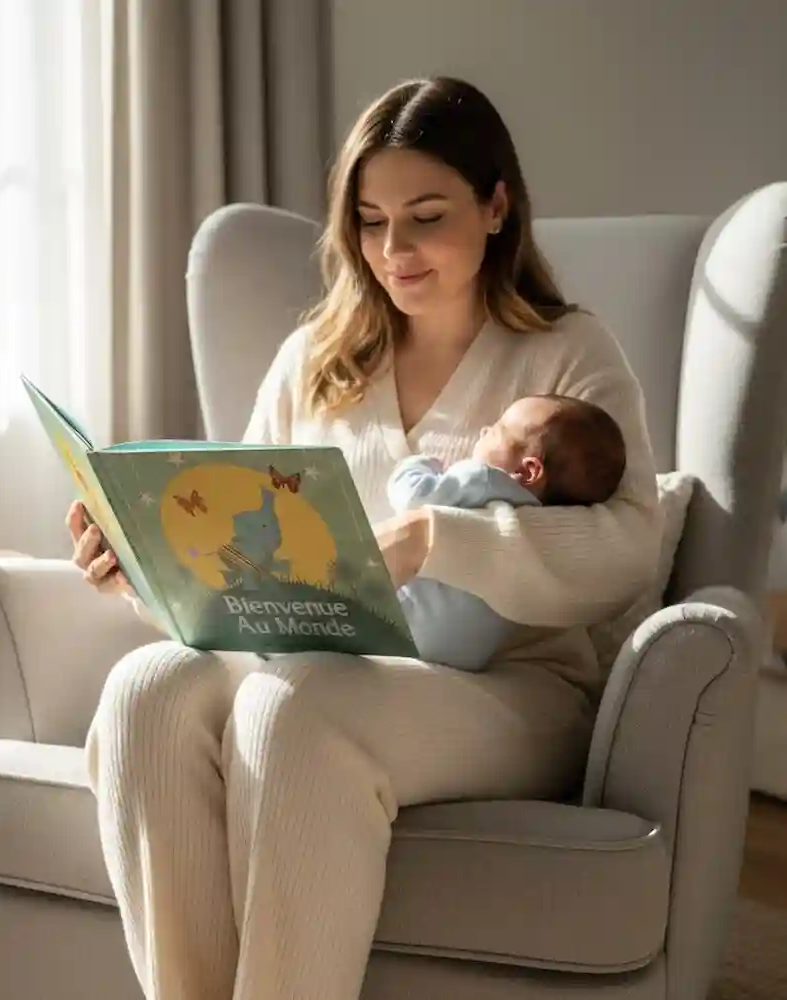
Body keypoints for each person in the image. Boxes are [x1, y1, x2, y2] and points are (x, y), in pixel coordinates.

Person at [70, 75, 661, 1000]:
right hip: (314, 656)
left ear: (496, 203)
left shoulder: (568, 351)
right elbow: (242, 571)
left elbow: (629, 552)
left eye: (426, 216)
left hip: (513, 689)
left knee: (295, 705)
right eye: (371, 221)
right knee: (148, 691)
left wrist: (439, 537)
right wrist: (141, 570)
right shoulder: (315, 357)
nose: (395, 249)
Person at [387, 394, 628, 670]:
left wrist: (418, 465)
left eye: (498, 429)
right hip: (464, 656)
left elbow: (413, 498)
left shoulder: (483, 480)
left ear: (527, 471)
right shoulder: (538, 526)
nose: (484, 431)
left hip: (409, 622)